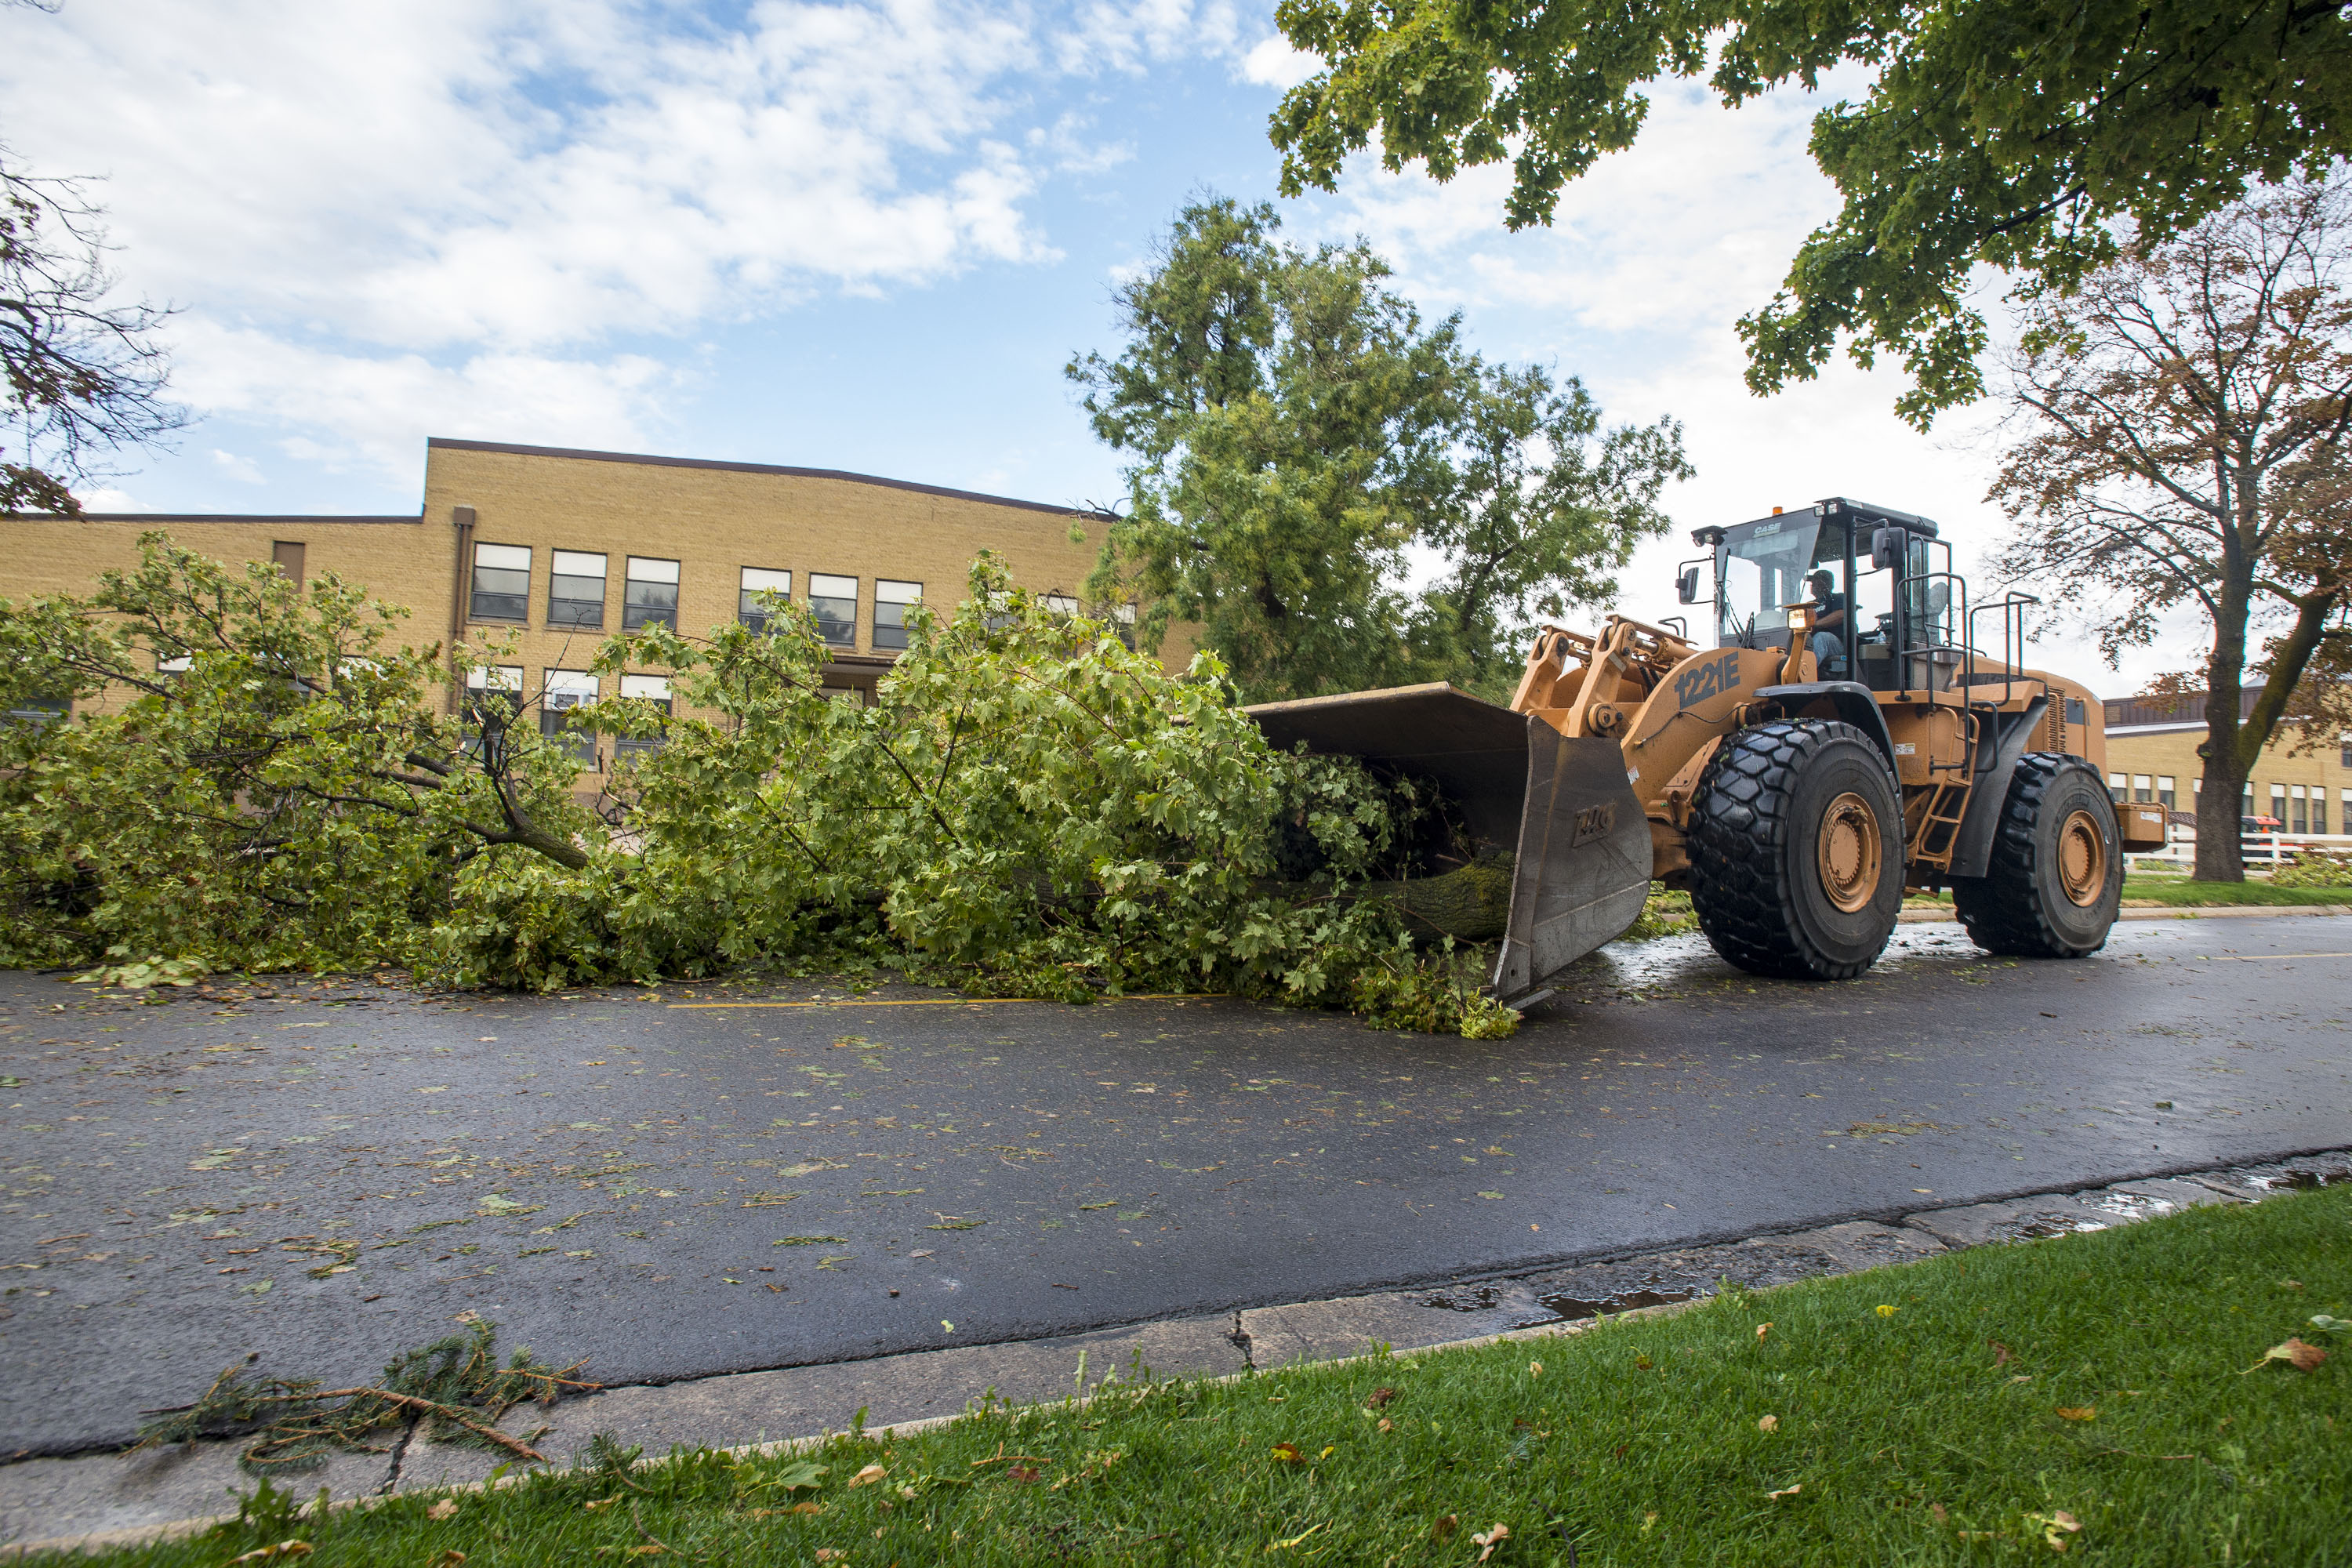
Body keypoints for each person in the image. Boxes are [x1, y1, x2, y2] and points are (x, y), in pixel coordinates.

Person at [1804, 568, 1848, 673]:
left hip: (1838, 645)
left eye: (1816, 580)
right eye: (1812, 581)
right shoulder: (1809, 605)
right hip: (1813, 641)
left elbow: (1840, 615)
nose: (1812, 584)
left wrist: (1815, 624)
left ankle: (1806, 672)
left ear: (1827, 583)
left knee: (1823, 637)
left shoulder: (1837, 598)